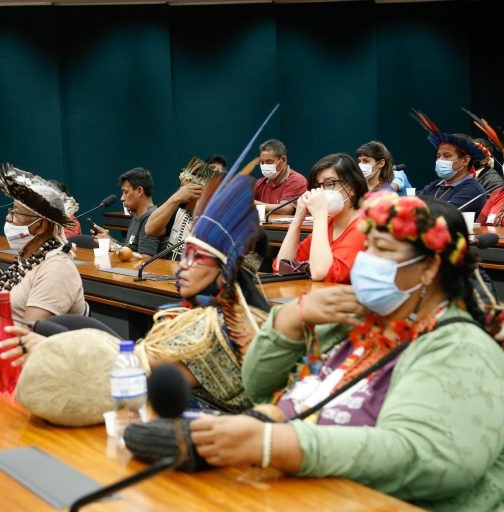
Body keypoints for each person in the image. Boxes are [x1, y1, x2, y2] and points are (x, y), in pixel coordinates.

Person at [189, 192, 504, 511]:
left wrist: (273, 444)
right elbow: (258, 387)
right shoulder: (350, 318)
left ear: (429, 267)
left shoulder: (460, 347)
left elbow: (428, 456)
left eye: (382, 250)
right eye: (365, 247)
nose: (364, 260)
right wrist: (289, 320)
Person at [0, 166, 271, 414]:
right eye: (184, 256)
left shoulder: (222, 329)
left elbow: (133, 368)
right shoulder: (200, 317)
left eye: (196, 259)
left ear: (226, 272)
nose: (181, 268)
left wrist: (56, 349)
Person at [0, 125, 86, 335]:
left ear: (41, 226)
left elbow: (26, 336)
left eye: (16, 213)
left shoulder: (56, 269)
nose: (8, 218)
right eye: (10, 211)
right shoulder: (25, 261)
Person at [274, 153, 368, 283]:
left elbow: (322, 273)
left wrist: (319, 216)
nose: (321, 192)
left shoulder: (363, 226)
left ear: (351, 187)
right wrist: (297, 221)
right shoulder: (329, 223)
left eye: (329, 184)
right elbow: (282, 267)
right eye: (318, 186)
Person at [145, 157, 221, 260]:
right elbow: (150, 229)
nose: (180, 191)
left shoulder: (212, 221)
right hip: (167, 272)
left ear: (196, 190)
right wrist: (175, 198)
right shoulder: (177, 206)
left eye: (183, 188)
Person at [413, 110, 487, 214]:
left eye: (447, 156)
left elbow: (444, 216)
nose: (440, 160)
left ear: (465, 160)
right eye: (438, 156)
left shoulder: (472, 190)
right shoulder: (435, 185)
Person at [92, 167, 164, 259]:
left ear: (139, 191)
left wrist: (114, 247)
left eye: (126, 192)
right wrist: (109, 240)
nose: (122, 198)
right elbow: (130, 249)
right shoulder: (136, 216)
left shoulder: (151, 217)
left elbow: (145, 259)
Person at [254, 139, 308, 216]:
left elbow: (285, 210)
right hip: (264, 227)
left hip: (288, 228)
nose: (264, 166)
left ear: (283, 160)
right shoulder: (260, 183)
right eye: (262, 162)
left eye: (269, 162)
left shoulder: (297, 180)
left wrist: (253, 203)